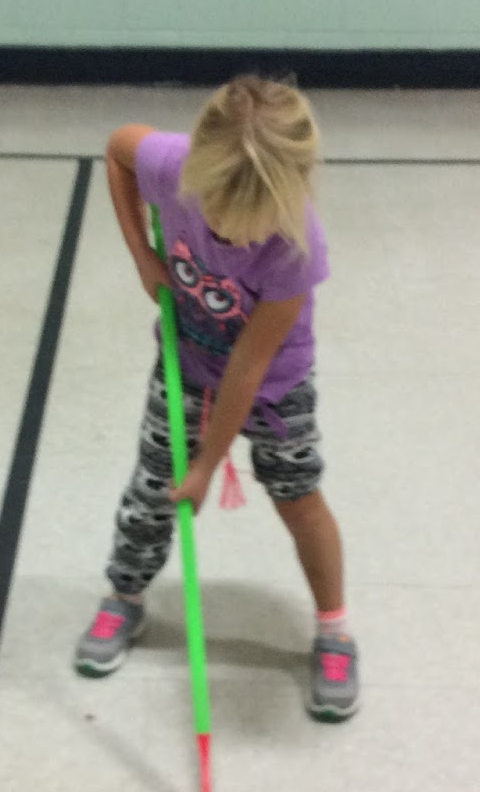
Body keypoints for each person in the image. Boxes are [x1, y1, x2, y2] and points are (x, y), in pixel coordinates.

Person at [73, 75, 358, 722]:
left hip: (272, 380)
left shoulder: (294, 246)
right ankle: (124, 597)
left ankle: (335, 629)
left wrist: (208, 463)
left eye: (243, 219)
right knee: (152, 490)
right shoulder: (173, 162)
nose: (224, 227)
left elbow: (250, 366)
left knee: (299, 495)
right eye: (213, 206)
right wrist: (144, 255)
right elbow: (117, 150)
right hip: (187, 356)